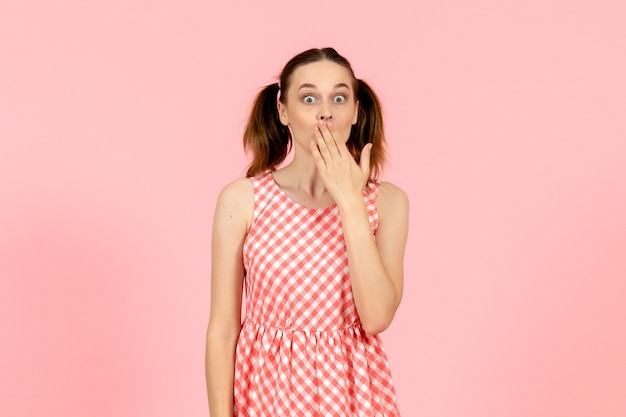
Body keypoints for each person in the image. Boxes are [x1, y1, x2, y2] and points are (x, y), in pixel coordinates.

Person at [205, 47, 409, 417]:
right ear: (283, 110)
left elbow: (377, 317)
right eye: (309, 97)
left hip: (352, 395)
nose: (326, 110)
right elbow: (222, 329)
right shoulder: (243, 199)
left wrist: (350, 201)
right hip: (268, 394)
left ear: (356, 111)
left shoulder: (389, 204)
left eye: (340, 97)